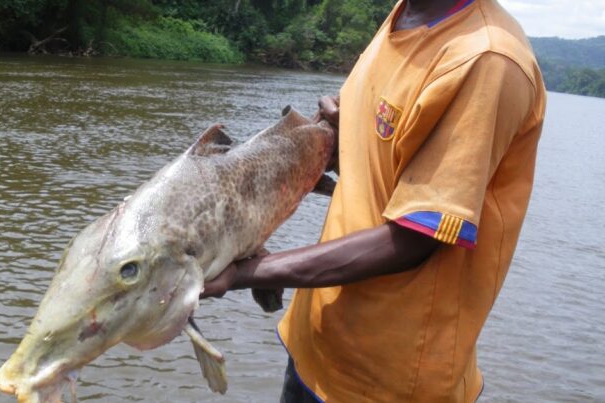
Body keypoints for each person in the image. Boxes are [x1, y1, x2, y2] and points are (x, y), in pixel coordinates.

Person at [201, 0, 547, 401]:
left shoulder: (487, 60)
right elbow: (386, 166)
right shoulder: (405, 13)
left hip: (385, 381)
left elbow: (415, 238)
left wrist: (247, 273)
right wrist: (341, 140)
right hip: (315, 352)